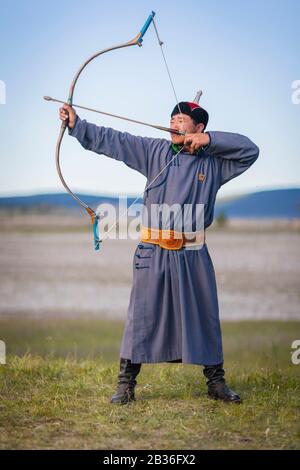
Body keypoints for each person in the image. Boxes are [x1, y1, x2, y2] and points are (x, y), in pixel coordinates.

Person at [59, 96, 259, 405]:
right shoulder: (154, 150)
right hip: (153, 250)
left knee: (205, 315)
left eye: (182, 120)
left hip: (193, 252)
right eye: (172, 119)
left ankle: (216, 383)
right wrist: (77, 125)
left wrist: (208, 141)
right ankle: (126, 385)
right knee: (141, 317)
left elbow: (250, 150)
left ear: (200, 127)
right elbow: (115, 140)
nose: (174, 123)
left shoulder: (215, 162)